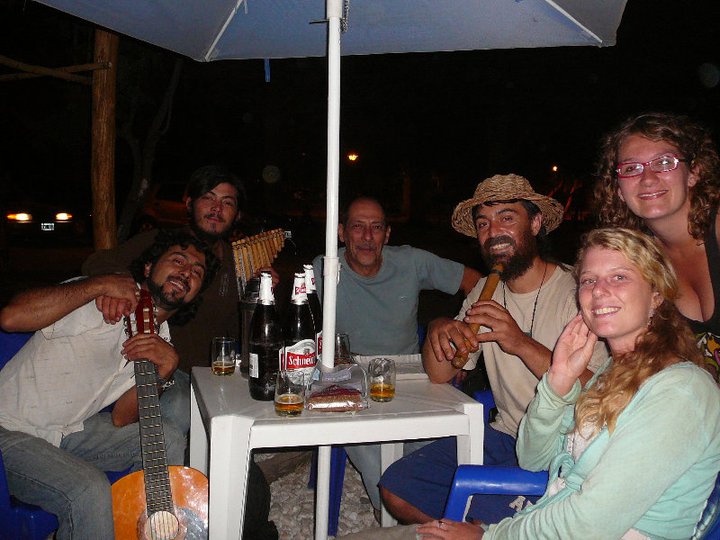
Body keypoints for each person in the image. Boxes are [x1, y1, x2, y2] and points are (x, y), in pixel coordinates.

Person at [416, 228, 720, 539]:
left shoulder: (680, 391)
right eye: (588, 280)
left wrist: (490, 536)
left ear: (656, 294)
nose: (599, 291)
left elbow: (591, 522)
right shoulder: (611, 374)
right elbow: (533, 459)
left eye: (619, 277)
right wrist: (557, 383)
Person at [379, 174, 607, 525]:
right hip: (504, 435)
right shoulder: (485, 289)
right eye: (483, 223)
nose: (493, 231)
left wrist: (519, 342)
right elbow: (441, 373)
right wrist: (438, 329)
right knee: (396, 488)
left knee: (477, 518)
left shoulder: (578, 292)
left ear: (535, 223)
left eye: (507, 217)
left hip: (562, 449)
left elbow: (600, 393)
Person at [81, 164, 279, 539]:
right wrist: (119, 287)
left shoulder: (239, 261)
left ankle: (239, 516)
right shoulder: (163, 243)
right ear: (189, 203)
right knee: (190, 425)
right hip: (162, 373)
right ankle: (167, 509)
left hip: (211, 378)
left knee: (236, 443)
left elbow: (246, 335)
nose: (217, 208)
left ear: (237, 214)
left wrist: (261, 296)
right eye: (208, 198)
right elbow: (97, 263)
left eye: (228, 202)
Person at [0, 229, 218, 539]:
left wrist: (165, 370)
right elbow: (10, 318)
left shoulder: (161, 337)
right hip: (8, 427)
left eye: (197, 272)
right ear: (148, 267)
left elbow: (121, 417)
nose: (186, 272)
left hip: (66, 431)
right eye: (178, 260)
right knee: (89, 489)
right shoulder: (102, 297)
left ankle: (151, 528)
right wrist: (98, 285)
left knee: (169, 438)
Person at [312, 195, 481, 513]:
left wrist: (464, 342)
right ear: (341, 232)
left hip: (409, 372)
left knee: (435, 442)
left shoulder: (411, 261)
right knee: (375, 454)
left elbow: (477, 283)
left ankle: (430, 512)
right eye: (357, 227)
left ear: (387, 235)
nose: (367, 236)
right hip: (348, 373)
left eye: (376, 227)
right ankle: (397, 514)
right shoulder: (323, 268)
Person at [594, 112, 720, 382]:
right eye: (631, 169)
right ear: (619, 189)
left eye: (664, 163)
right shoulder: (639, 263)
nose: (648, 178)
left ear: (694, 173)